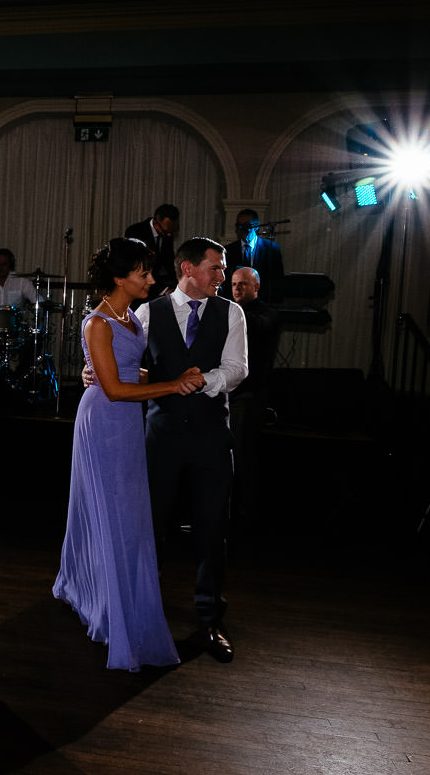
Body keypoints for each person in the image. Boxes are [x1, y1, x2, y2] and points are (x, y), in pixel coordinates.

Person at [54, 239, 204, 671]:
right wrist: (173, 386)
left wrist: (166, 377)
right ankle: (101, 602)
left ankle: (112, 595)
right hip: (103, 421)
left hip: (126, 423)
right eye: (143, 273)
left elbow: (125, 372)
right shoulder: (96, 323)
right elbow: (115, 390)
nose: (152, 280)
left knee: (128, 515)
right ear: (120, 278)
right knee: (107, 513)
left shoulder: (130, 317)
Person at [137, 237, 248, 663]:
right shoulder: (150, 312)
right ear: (188, 269)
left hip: (210, 436)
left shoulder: (230, 312)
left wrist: (205, 381)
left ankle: (209, 619)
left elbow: (238, 368)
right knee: (152, 525)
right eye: (215, 268)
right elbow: (129, 360)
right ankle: (144, 612)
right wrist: (98, 371)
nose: (223, 277)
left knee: (211, 528)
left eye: (222, 270)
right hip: (160, 434)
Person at [228, 266, 281, 534]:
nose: (237, 289)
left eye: (243, 285)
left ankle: (247, 518)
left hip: (249, 397)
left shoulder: (266, 313)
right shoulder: (231, 311)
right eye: (234, 284)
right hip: (230, 395)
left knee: (244, 458)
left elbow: (259, 327)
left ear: (256, 287)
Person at [223, 209, 284, 303]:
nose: (243, 229)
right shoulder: (229, 251)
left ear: (256, 227)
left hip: (262, 304)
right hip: (236, 303)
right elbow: (226, 282)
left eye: (247, 225)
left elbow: (277, 281)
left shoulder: (272, 249)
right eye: (239, 226)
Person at [124, 203, 180, 294]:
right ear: (155, 222)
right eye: (166, 231)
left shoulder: (167, 232)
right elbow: (137, 269)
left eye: (172, 231)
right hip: (140, 286)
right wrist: (164, 290)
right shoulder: (135, 232)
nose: (169, 235)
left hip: (158, 283)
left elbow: (169, 262)